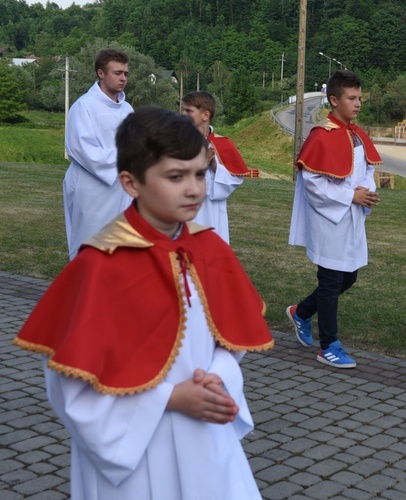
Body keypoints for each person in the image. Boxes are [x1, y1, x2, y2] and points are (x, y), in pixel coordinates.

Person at [14, 107, 274, 499]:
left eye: (200, 173)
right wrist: (170, 398)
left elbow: (228, 340)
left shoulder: (210, 249)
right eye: (175, 176)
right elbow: (69, 381)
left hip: (205, 435)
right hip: (136, 453)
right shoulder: (101, 266)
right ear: (131, 183)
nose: (194, 189)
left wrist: (219, 376)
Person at [286, 70, 381, 369]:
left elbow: (368, 169)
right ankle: (328, 345)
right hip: (329, 220)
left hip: (352, 218)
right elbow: (313, 183)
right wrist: (350, 196)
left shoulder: (357, 135)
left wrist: (366, 189)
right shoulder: (321, 136)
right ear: (334, 100)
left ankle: (301, 312)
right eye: (352, 98)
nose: (358, 104)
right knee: (330, 282)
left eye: (360, 98)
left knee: (348, 276)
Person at [64, 49, 134, 260]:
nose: (123, 78)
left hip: (122, 188)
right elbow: (81, 149)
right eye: (117, 73)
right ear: (101, 73)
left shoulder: (127, 109)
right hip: (91, 187)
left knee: (121, 247)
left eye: (125, 73)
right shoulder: (84, 106)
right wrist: (125, 157)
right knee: (90, 245)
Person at [181, 90, 252, 243]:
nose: (182, 114)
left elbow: (235, 180)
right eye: (183, 110)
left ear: (205, 115)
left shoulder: (222, 144)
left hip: (212, 212)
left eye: (188, 111)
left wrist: (216, 167)